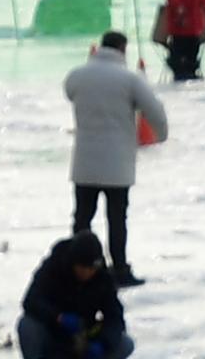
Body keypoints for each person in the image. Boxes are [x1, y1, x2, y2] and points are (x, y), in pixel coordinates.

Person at [60, 31, 167, 283]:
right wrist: (161, 135)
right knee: (117, 219)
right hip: (117, 163)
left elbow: (69, 92)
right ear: (123, 49)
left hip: (85, 161)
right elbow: (155, 111)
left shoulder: (77, 76)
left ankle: (77, 265)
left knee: (82, 217)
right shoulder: (129, 79)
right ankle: (119, 268)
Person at [14, 232, 129, 359]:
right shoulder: (53, 266)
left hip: (83, 337)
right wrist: (58, 317)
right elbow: (31, 300)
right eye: (82, 268)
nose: (87, 273)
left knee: (125, 343)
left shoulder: (102, 277)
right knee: (27, 326)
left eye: (91, 269)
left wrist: (103, 343)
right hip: (51, 332)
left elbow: (114, 315)